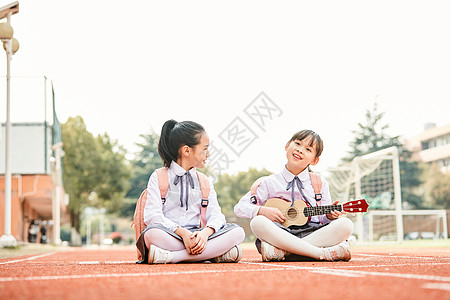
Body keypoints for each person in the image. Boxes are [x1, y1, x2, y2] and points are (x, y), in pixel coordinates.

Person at [234, 129, 354, 262]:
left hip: (312, 232)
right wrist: (261, 210)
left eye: (308, 149)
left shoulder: (319, 183)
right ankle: (322, 253)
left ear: (315, 160)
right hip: (280, 234)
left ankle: (284, 252)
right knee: (257, 222)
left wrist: (329, 215)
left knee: (346, 224)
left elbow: (323, 220)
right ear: (287, 146)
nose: (300, 150)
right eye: (297, 143)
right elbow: (239, 208)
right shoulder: (269, 182)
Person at [136, 119, 245, 264]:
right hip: (172, 235)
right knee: (151, 234)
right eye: (205, 149)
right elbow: (152, 216)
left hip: (199, 236)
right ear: (186, 150)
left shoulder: (204, 181)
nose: (209, 154)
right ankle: (213, 254)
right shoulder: (159, 176)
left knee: (238, 232)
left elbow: (217, 216)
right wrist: (183, 233)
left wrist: (205, 234)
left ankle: (173, 257)